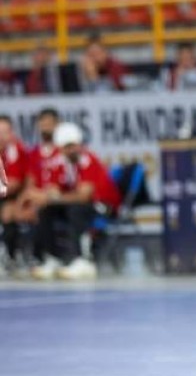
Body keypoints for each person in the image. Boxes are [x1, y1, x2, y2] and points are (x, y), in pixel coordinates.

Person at [26, 122, 120, 281]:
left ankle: (83, 260)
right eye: (66, 147)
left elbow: (84, 196)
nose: (71, 150)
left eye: (73, 145)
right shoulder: (62, 163)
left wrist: (52, 197)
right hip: (80, 204)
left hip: (103, 205)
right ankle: (53, 258)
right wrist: (42, 196)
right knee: (46, 209)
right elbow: (54, 189)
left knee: (76, 209)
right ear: (60, 148)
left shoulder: (87, 160)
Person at [0, 114, 29, 268]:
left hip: (15, 196)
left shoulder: (15, 150)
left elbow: (13, 184)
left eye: (5, 132)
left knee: (8, 212)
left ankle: (10, 255)